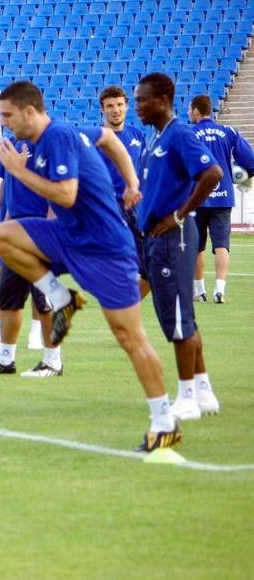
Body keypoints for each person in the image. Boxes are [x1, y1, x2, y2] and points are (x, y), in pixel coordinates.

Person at [0, 80, 180, 452]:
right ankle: (61, 297)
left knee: (130, 338)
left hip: (106, 249)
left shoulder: (58, 136)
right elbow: (108, 139)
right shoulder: (63, 134)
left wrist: (19, 171)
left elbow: (66, 194)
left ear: (29, 112)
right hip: (69, 236)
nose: (4, 123)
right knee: (2, 236)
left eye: (8, 115)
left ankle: (164, 422)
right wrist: (131, 180)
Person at [135, 76, 224, 419]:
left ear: (163, 99)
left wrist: (179, 214)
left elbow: (212, 173)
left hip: (173, 239)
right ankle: (203, 390)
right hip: (154, 239)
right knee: (181, 315)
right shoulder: (155, 138)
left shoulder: (180, 135)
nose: (138, 106)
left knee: (177, 318)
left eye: (142, 100)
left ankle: (186, 397)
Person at [0, 132, 59, 377]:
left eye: (8, 114)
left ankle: (52, 360)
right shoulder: (10, 144)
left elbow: (59, 189)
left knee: (44, 297)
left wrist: (50, 228)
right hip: (14, 231)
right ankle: (5, 357)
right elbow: (9, 187)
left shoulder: (49, 142)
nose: (5, 119)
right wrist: (1, 221)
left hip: (39, 230)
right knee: (9, 296)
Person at [188, 94, 254, 304]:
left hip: (197, 198)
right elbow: (250, 160)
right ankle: (219, 290)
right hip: (223, 197)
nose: (189, 113)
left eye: (190, 109)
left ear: (196, 111)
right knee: (222, 246)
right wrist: (248, 175)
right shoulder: (228, 132)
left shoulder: (189, 134)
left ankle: (199, 291)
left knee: (196, 247)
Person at [98, 85, 149, 299]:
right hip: (109, 207)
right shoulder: (96, 138)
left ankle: (128, 302)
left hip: (137, 206)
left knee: (149, 265)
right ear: (102, 109)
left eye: (119, 104)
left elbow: (146, 171)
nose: (115, 110)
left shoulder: (137, 135)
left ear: (127, 106)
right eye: (110, 106)